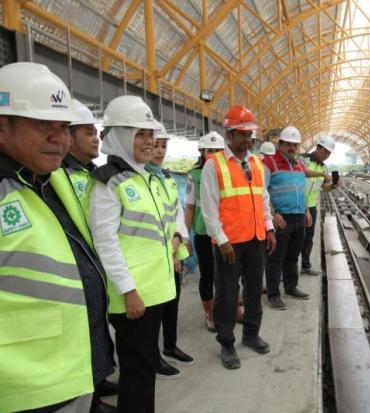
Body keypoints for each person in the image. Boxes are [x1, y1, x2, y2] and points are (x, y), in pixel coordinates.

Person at [0, 62, 114, 412]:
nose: (58, 137)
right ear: (2, 127)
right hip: (28, 388)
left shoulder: (52, 179)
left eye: (63, 126)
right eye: (42, 124)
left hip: (74, 370)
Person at [90, 95, 174, 413]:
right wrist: (129, 290)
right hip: (133, 297)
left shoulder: (146, 176)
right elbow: (106, 242)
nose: (148, 141)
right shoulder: (109, 181)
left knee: (143, 369)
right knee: (138, 372)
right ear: (121, 136)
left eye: (149, 135)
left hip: (152, 291)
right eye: (140, 134)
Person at [200, 105, 276, 369]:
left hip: (255, 238)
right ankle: (227, 343)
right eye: (241, 134)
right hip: (229, 244)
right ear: (228, 134)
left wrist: (269, 228)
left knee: (254, 290)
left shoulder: (256, 163)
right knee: (228, 295)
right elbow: (209, 208)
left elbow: (263, 198)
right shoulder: (214, 166)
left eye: (250, 135)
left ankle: (251, 335)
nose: (247, 140)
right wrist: (221, 240)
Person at [62, 99, 118, 413]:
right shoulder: (62, 175)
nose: (96, 138)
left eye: (96, 132)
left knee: (98, 326)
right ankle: (91, 399)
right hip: (77, 264)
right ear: (69, 138)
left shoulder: (92, 172)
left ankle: (99, 379)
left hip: (95, 261)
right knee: (84, 332)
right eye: (88, 132)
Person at [145, 127, 194, 379]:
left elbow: (176, 212)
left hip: (174, 251)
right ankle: (154, 356)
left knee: (172, 305)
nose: (160, 151)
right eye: (155, 145)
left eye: (164, 146)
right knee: (157, 310)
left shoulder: (166, 178)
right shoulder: (142, 179)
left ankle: (170, 346)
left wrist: (182, 238)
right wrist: (172, 252)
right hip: (159, 257)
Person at [264, 126, 313, 310]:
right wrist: (273, 214)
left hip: (299, 217)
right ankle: (273, 294)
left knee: (293, 256)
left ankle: (291, 287)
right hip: (281, 218)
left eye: (295, 145)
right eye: (288, 144)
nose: (292, 148)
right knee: (276, 258)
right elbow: (262, 192)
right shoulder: (269, 163)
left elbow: (301, 190)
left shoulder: (300, 164)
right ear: (280, 144)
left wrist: (307, 211)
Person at [185, 131, 226, 331]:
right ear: (202, 152)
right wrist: (185, 235)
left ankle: (228, 307)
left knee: (227, 273)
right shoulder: (194, 175)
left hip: (226, 232)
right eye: (210, 150)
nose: (214, 154)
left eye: (218, 150)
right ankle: (209, 313)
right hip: (203, 232)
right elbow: (190, 207)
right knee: (208, 274)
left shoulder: (228, 171)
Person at [300, 135, 338, 275]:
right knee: (293, 239)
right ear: (318, 147)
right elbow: (303, 172)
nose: (327, 155)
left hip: (311, 206)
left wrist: (333, 186)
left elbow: (324, 188)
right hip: (298, 205)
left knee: (308, 238)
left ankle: (305, 265)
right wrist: (322, 175)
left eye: (329, 153)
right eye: (325, 151)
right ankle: (283, 272)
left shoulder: (324, 168)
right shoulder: (303, 159)